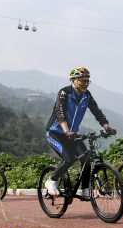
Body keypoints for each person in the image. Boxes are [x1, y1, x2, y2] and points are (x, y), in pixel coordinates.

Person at [44, 66, 117, 197]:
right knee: (69, 159)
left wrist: (106, 126)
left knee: (87, 158)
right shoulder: (65, 92)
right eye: (82, 80)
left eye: (87, 81)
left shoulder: (86, 95)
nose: (86, 84)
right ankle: (51, 181)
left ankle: (85, 190)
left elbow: (96, 111)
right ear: (73, 81)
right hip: (55, 133)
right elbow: (60, 113)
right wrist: (66, 131)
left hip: (71, 135)